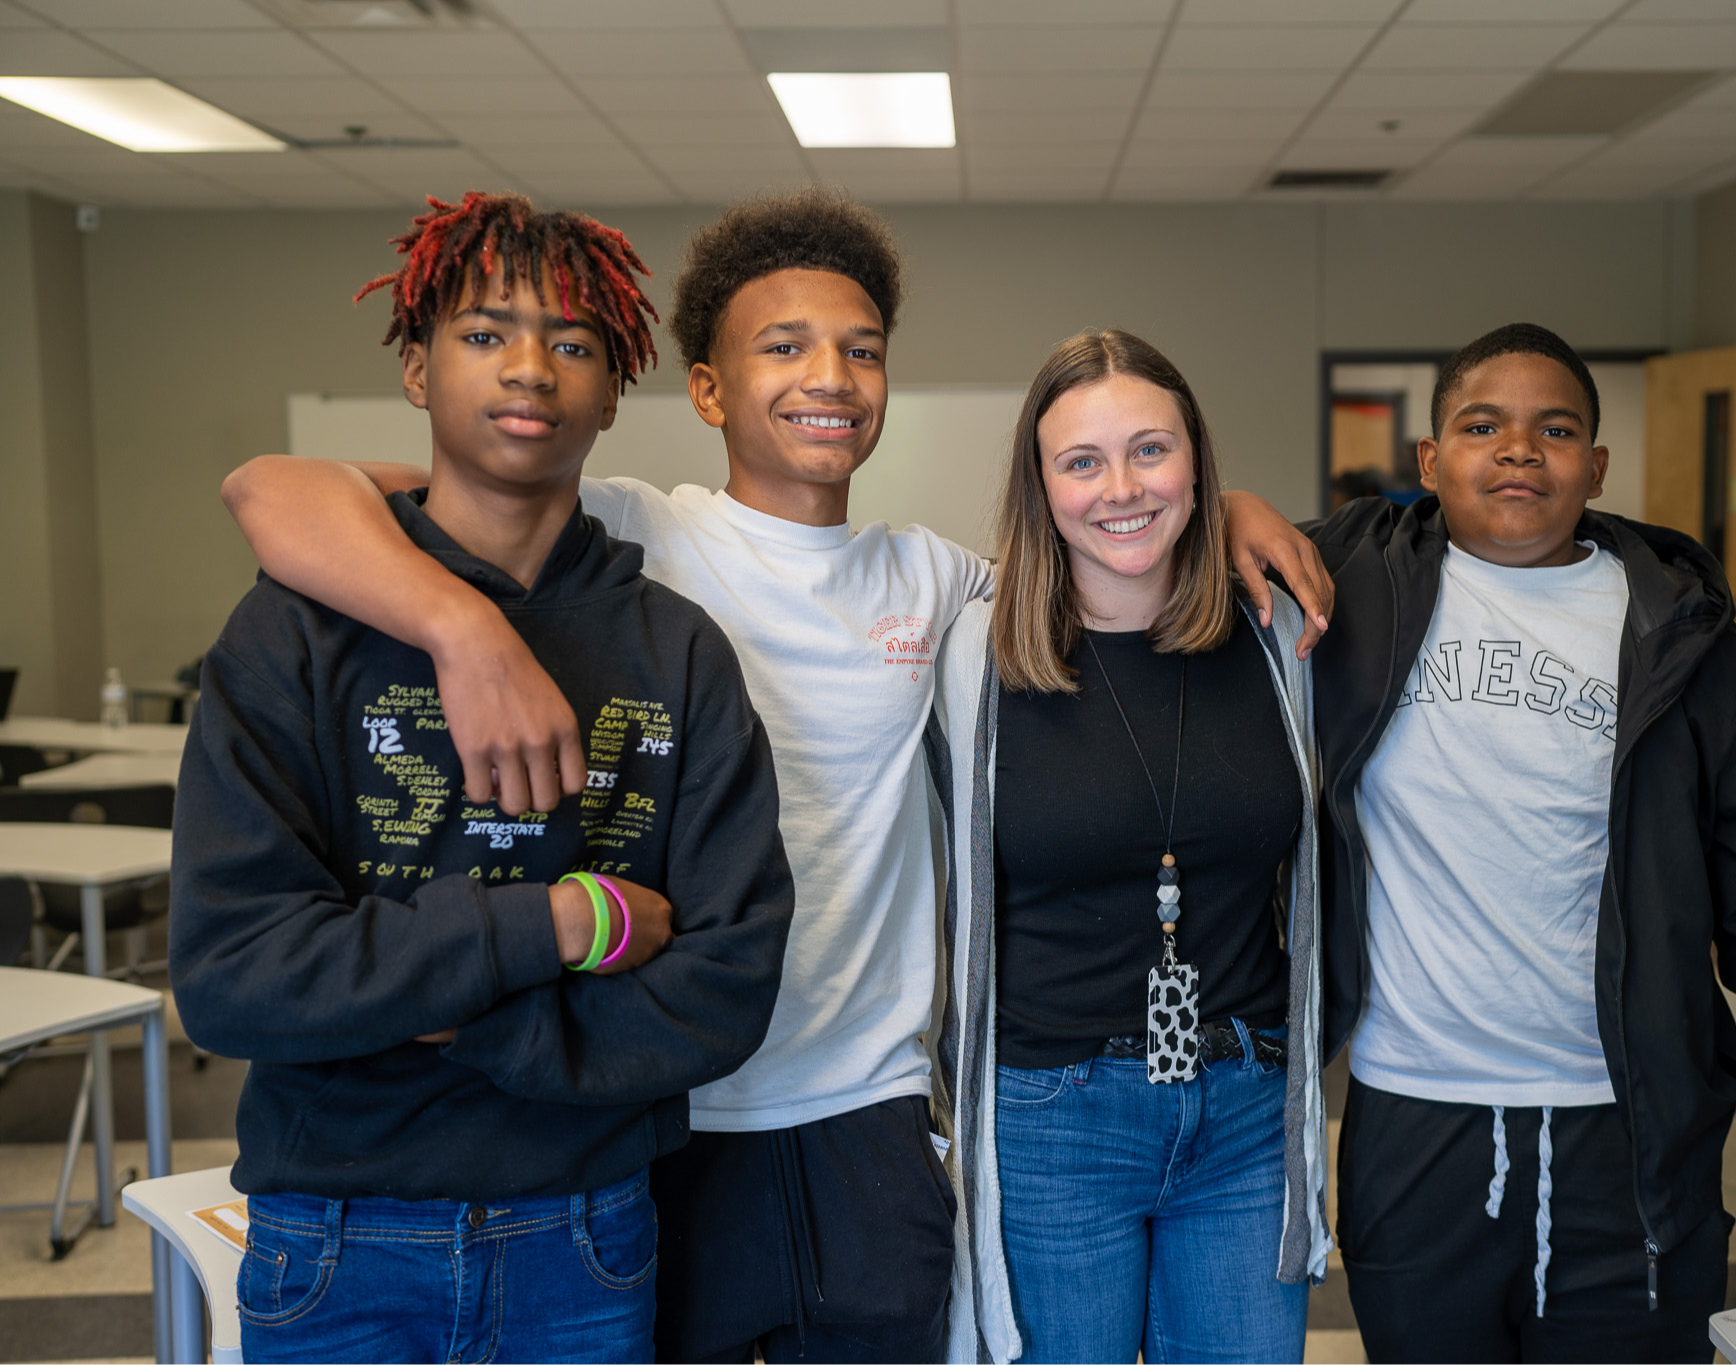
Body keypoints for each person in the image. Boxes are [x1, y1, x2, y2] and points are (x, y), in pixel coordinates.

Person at [217, 189, 1334, 1364]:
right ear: (705, 390)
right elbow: (275, 492)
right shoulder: (631, 534)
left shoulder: (936, 583)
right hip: (671, 1105)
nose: (831, 377)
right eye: (785, 347)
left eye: (861, 350)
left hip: (871, 1107)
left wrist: (1229, 508)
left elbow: (1103, 548)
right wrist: (466, 627)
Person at [171, 191, 795, 1365]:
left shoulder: (675, 651)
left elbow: (726, 981)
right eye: (483, 332)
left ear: (614, 393)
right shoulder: (292, 635)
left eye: (573, 344)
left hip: (587, 1230)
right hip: (333, 1233)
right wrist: (557, 923)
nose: (530, 368)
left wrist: (441, 1013)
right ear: (415, 369)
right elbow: (235, 978)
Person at [1238, 322, 1736, 1363]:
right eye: (1482, 425)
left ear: (1597, 465)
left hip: (1628, 1115)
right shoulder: (1349, 586)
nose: (1520, 449)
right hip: (1414, 1111)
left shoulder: (1689, 639)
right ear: (1429, 463)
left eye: (1556, 428)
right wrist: (1225, 506)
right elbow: (1160, 541)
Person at [932, 330, 1331, 1365]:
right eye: (1081, 461)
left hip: (1246, 1108)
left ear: (1197, 463)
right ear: (1041, 485)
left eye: (1150, 450)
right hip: (1054, 1120)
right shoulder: (969, 655)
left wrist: (1240, 512)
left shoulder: (1275, 634)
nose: (1120, 488)